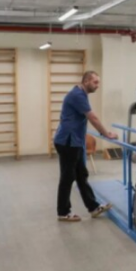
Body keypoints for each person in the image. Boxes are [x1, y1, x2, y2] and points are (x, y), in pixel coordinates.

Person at [54, 70, 118, 222]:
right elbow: (93, 118)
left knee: (81, 175)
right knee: (68, 177)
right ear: (86, 81)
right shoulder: (77, 95)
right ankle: (63, 212)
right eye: (95, 82)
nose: (97, 85)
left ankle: (93, 207)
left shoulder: (81, 94)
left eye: (98, 82)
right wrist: (106, 134)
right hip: (67, 142)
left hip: (74, 142)